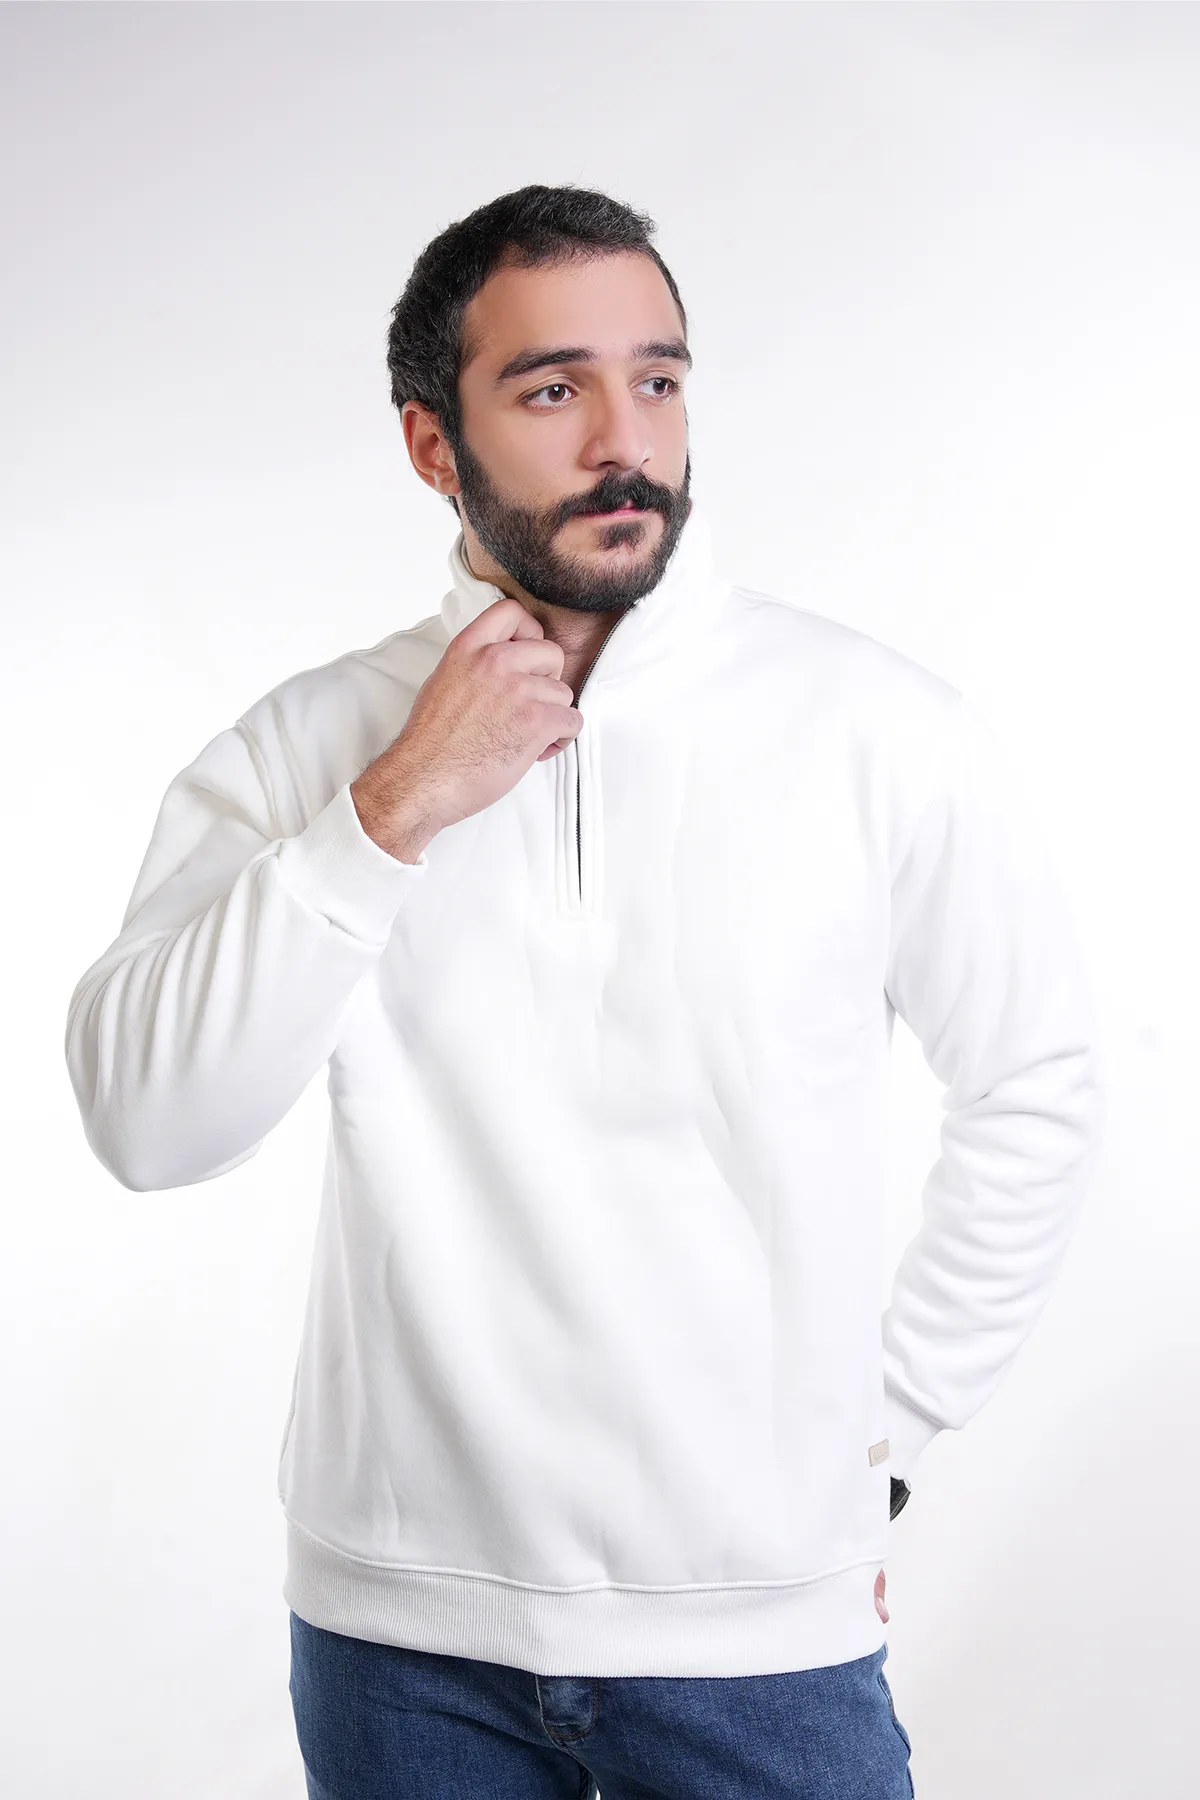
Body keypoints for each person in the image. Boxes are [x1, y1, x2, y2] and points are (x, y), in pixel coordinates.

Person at [64, 183, 1105, 1799]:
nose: (628, 440)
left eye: (659, 378)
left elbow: (1034, 1085)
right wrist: (393, 808)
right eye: (554, 389)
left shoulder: (876, 730)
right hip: (402, 1644)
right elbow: (148, 1123)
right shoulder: (317, 745)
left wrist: (884, 1436)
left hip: (762, 1636)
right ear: (433, 444)